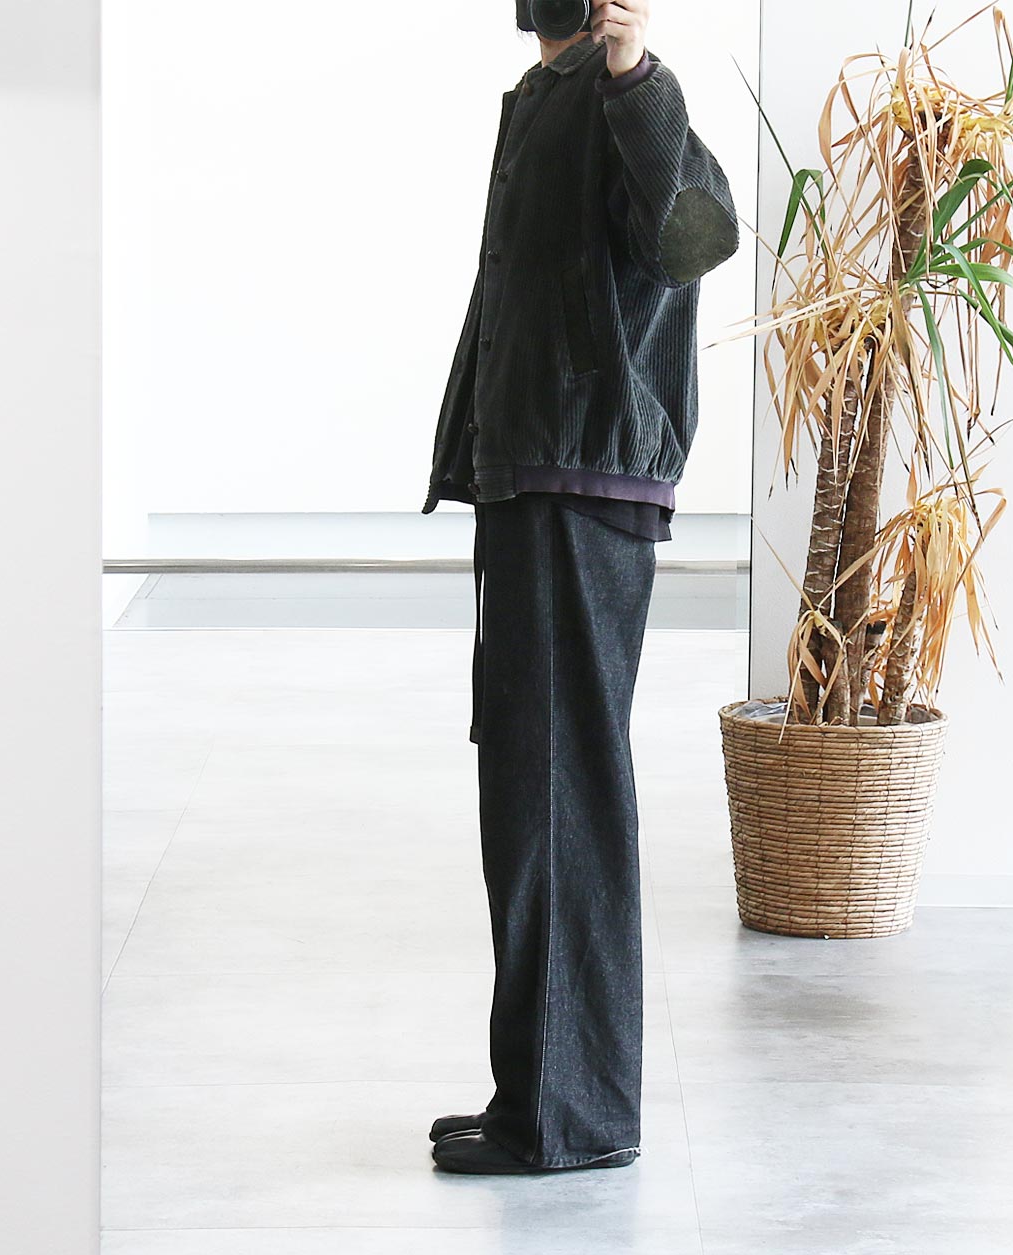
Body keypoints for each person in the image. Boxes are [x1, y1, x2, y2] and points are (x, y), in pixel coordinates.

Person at [420, 0, 739, 1175]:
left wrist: (632, 69)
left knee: (558, 795)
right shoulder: (544, 98)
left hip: (576, 481)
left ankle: (569, 1117)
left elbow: (693, 241)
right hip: (537, 477)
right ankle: (539, 1095)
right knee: (533, 795)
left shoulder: (620, 94)